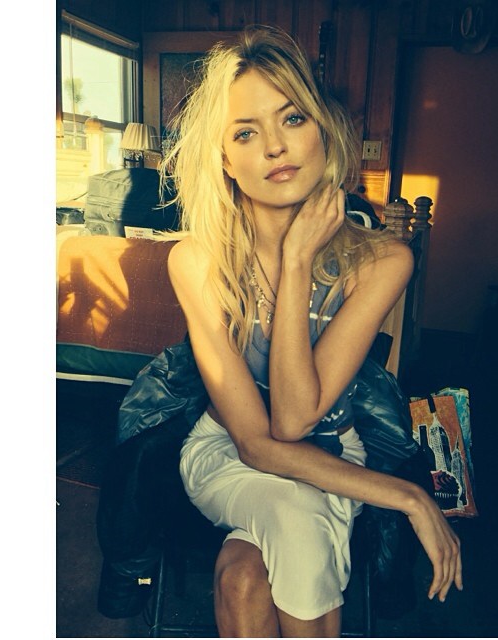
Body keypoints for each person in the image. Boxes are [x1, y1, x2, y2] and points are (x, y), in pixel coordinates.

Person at [163, 24, 462, 638]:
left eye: (292, 118)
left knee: (242, 578)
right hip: (226, 451)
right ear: (225, 160)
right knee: (296, 512)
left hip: (332, 453)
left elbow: (298, 419)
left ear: (322, 129)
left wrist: (298, 259)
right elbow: (262, 440)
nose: (275, 146)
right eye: (246, 132)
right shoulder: (195, 262)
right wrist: (408, 497)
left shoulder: (384, 261)